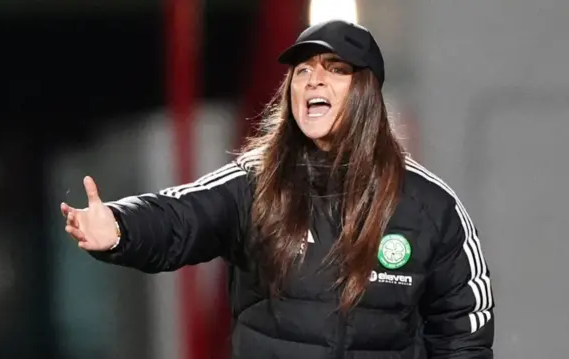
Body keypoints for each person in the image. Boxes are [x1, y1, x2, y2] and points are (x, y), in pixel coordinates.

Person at [61, 20, 494, 359]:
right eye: (302, 71)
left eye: (335, 70)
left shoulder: (430, 206)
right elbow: (183, 215)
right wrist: (120, 227)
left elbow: (464, 329)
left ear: (367, 92)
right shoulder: (257, 183)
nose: (313, 81)